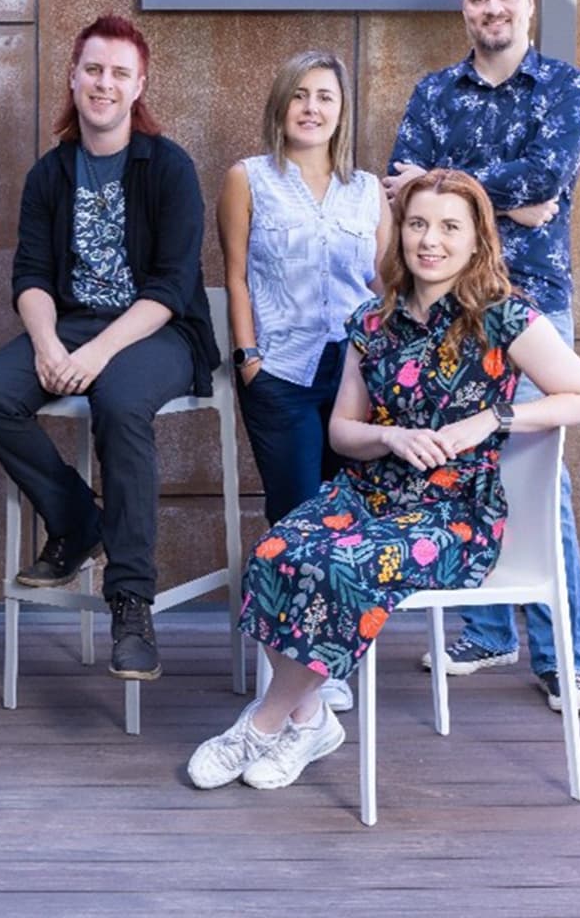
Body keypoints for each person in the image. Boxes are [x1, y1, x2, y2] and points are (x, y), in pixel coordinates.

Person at [186, 169, 580, 792]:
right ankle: (311, 718)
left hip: (453, 512)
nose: (429, 240)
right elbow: (342, 433)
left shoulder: (504, 317)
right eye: (417, 224)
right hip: (367, 495)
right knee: (277, 553)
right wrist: (390, 437)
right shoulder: (372, 324)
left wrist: (493, 418)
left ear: (475, 240)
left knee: (343, 570)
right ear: (399, 233)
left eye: (448, 227)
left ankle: (262, 724)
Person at [0, 14, 220, 683]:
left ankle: (131, 600)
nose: (104, 84)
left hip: (158, 331)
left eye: (119, 74)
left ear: (140, 87)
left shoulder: (168, 167)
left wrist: (96, 354)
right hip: (71, 325)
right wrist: (47, 344)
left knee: (119, 400)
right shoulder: (51, 174)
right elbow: (32, 277)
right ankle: (79, 521)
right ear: (74, 77)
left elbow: (171, 284)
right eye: (93, 70)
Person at [385, 0, 580, 712]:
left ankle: (561, 661)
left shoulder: (569, 88)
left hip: (532, 299)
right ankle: (483, 632)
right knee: (459, 462)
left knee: (545, 476)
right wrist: (499, 203)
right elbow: (400, 187)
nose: (492, 10)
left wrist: (448, 190)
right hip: (445, 304)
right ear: (464, 7)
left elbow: (547, 177)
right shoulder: (435, 91)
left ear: (529, 2)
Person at [218, 49, 389, 714]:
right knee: (294, 520)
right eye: (300, 96)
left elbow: (382, 283)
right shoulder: (249, 178)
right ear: (281, 106)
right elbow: (234, 273)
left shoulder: (367, 189)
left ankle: (323, 664)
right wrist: (248, 356)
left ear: (342, 112)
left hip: (352, 376)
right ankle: (294, 671)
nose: (312, 108)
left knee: (346, 522)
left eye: (325, 97)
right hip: (280, 372)